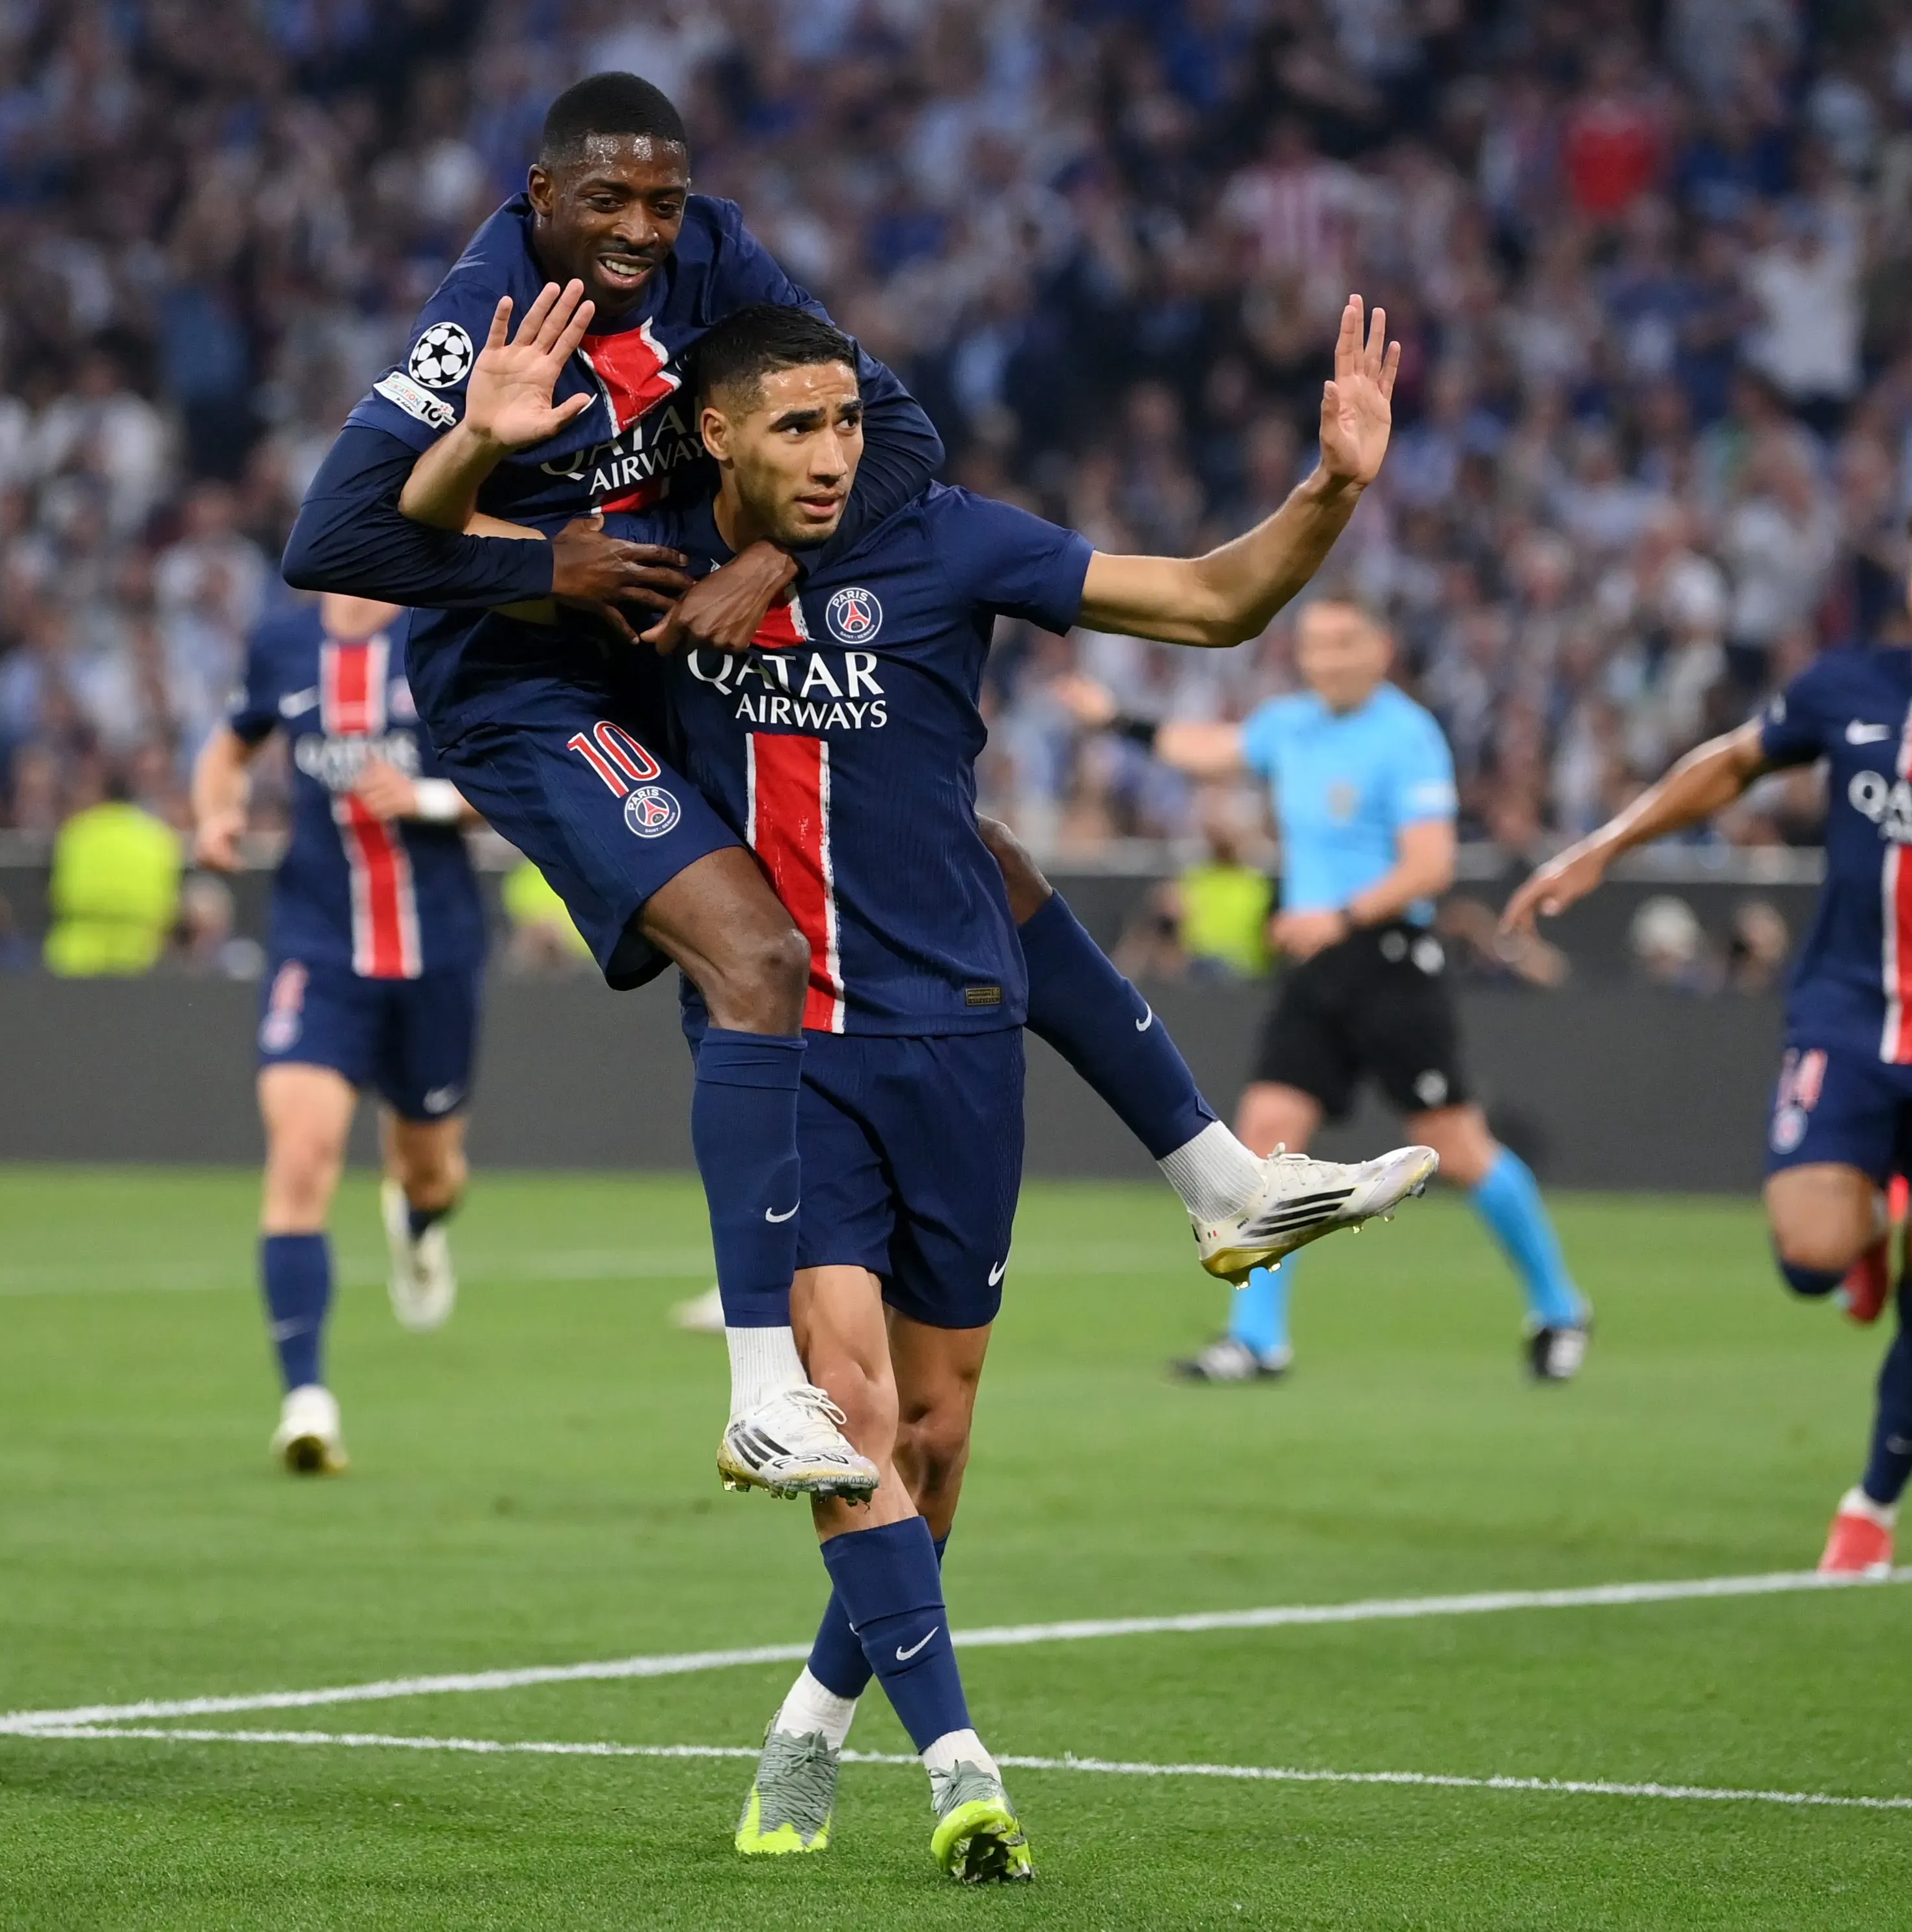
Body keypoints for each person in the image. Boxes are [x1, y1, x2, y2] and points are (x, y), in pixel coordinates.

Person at [283, 73, 1417, 1497]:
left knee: (980, 860)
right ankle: (762, 1384)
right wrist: (533, 550)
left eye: (661, 200)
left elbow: (902, 431)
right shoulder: (482, 317)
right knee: (754, 955)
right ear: (541, 195)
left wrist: (774, 556)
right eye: (607, 200)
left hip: (652, 628)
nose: (640, 229)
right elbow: (332, 541)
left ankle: (1219, 1180)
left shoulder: (717, 252)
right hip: (529, 686)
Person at [426, 295, 1411, 1878]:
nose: (833, 454)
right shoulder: (645, 563)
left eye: (845, 422)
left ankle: (810, 1723)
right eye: (795, 427)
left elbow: (1209, 601)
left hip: (957, 1034)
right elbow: (425, 547)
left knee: (936, 1441)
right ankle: (962, 1770)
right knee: (851, 1414)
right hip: (784, 1047)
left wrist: (1331, 489)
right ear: (714, 435)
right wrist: (475, 442)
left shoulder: (947, 541)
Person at [1506, 485, 1912, 1575]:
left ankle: (1872, 1504)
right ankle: (1855, 1247)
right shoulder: (1849, 687)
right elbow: (1731, 761)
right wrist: (1603, 846)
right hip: (1845, 1017)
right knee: (1808, 1256)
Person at [1062, 600, 1594, 1384]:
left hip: (1387, 960)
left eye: (1344, 642)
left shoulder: (1407, 734)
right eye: (1314, 645)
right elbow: (1211, 750)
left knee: (1457, 1147)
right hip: (1315, 969)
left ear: (1381, 648)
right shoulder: (1292, 725)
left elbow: (1431, 866)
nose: (1326, 659)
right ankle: (1256, 1339)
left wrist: (1338, 916)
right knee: (1263, 1139)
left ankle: (1559, 1307)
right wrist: (1116, 720)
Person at [191, 591, 482, 1475]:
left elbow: (523, 776)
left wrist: (425, 796)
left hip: (434, 952)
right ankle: (306, 1401)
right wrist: (216, 812)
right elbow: (228, 747)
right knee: (302, 1156)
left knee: (430, 1168)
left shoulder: (445, 632)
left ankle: (419, 1222)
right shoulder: (283, 645)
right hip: (317, 949)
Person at [44, 767, 184, 976]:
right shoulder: (158, 837)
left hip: (78, 955)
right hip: (140, 954)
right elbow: (169, 903)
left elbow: (58, 893)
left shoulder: (78, 832)